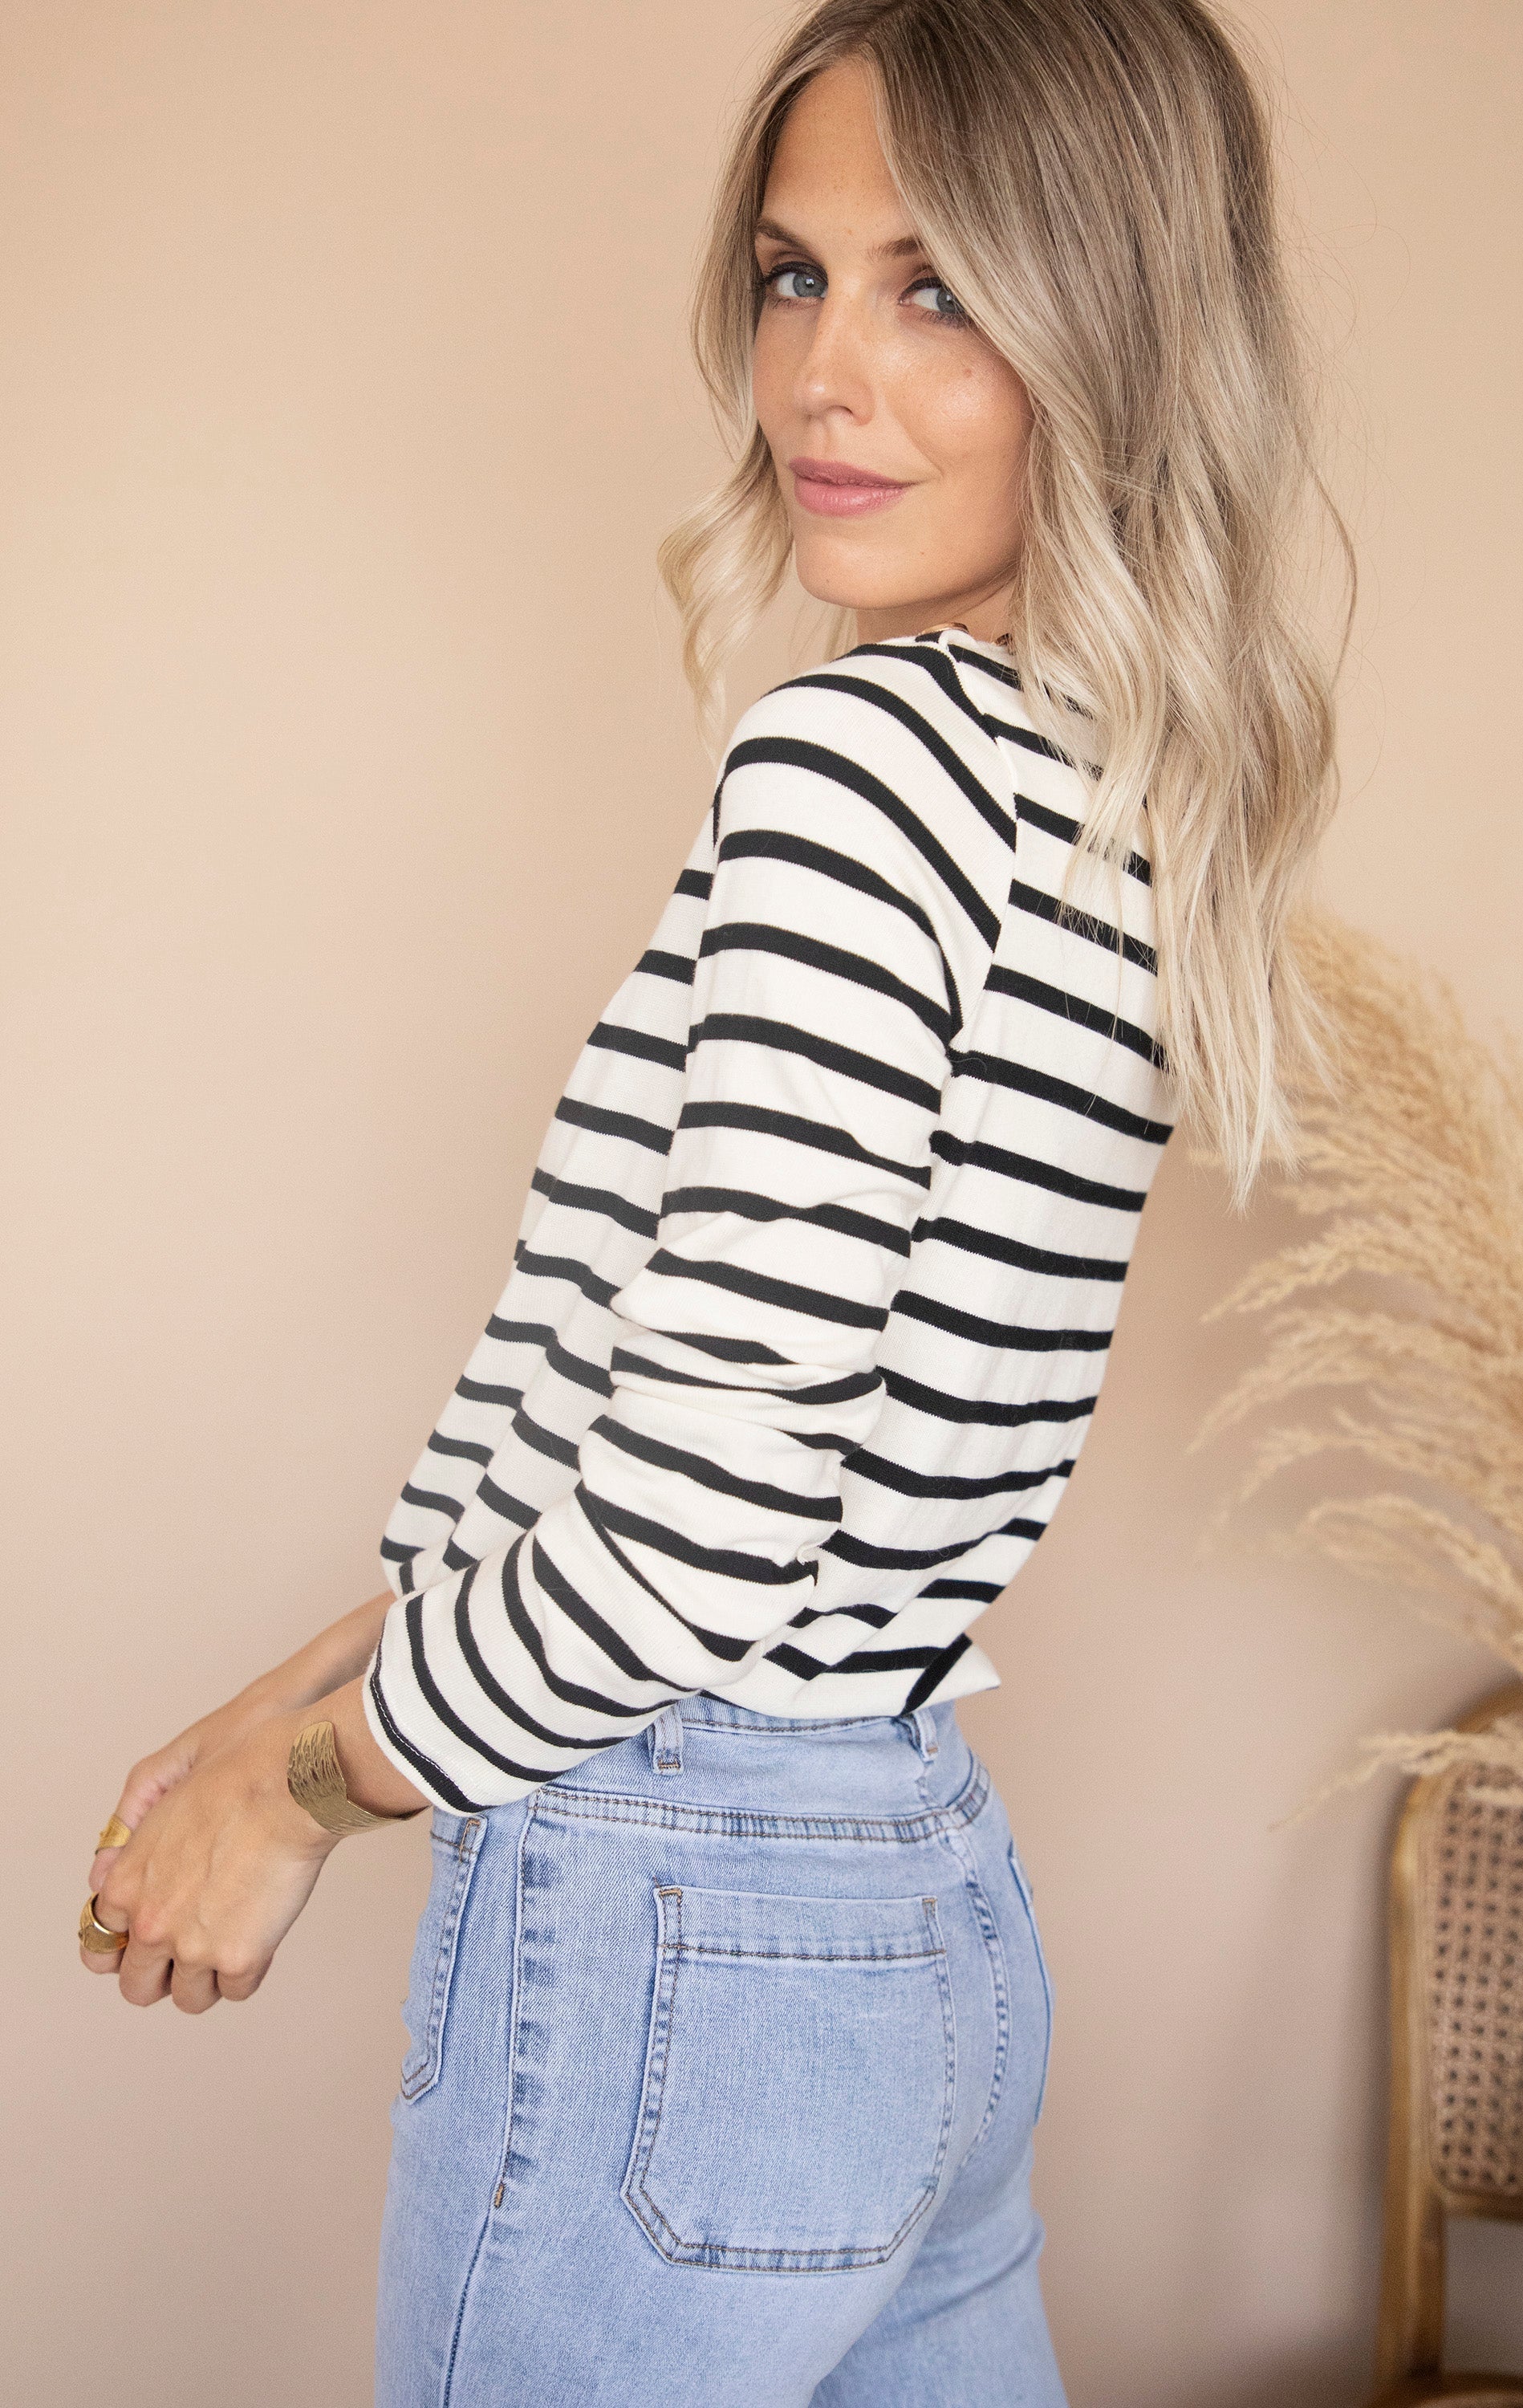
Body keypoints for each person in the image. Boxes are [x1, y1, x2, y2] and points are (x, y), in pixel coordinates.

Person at [78, 2, 1351, 2399]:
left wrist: (304, 1796)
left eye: (938, 287)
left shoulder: (855, 770)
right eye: (793, 275)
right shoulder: (1109, 804)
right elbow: (682, 1433)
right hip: (916, 1903)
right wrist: (291, 1691)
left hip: (681, 1902)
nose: (822, 378)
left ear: (1115, 332)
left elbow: (696, 1527)